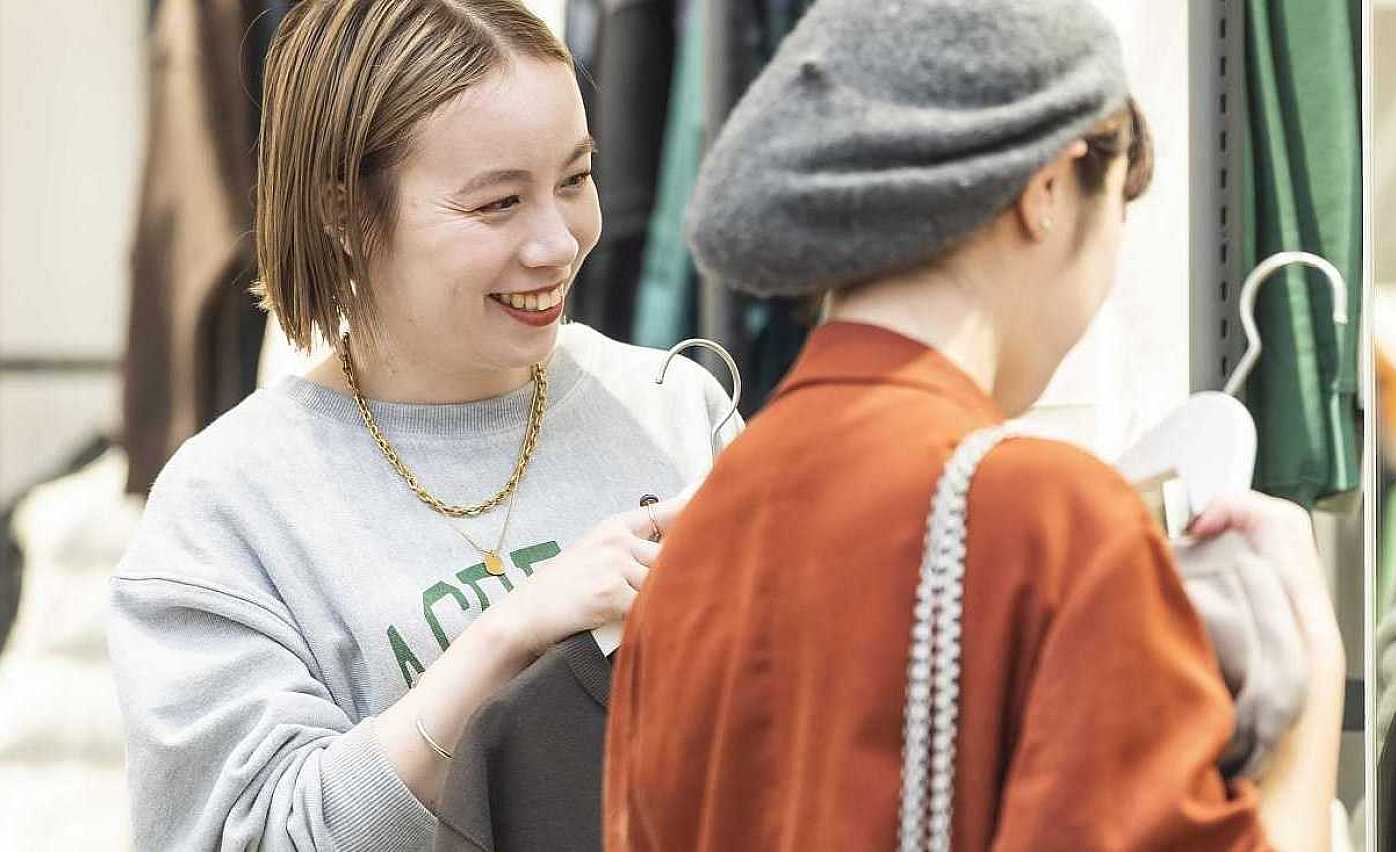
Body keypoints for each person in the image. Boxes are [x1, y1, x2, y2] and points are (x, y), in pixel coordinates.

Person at [603, 1, 1345, 849]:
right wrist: (1312, 682)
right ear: (1048, 190)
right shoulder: (1050, 520)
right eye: (1119, 214)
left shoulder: (694, 541)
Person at [107, 1, 736, 849]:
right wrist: (507, 636)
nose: (557, 243)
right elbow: (251, 836)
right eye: (498, 203)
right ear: (344, 212)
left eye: (575, 179)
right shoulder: (228, 507)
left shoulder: (676, 408)